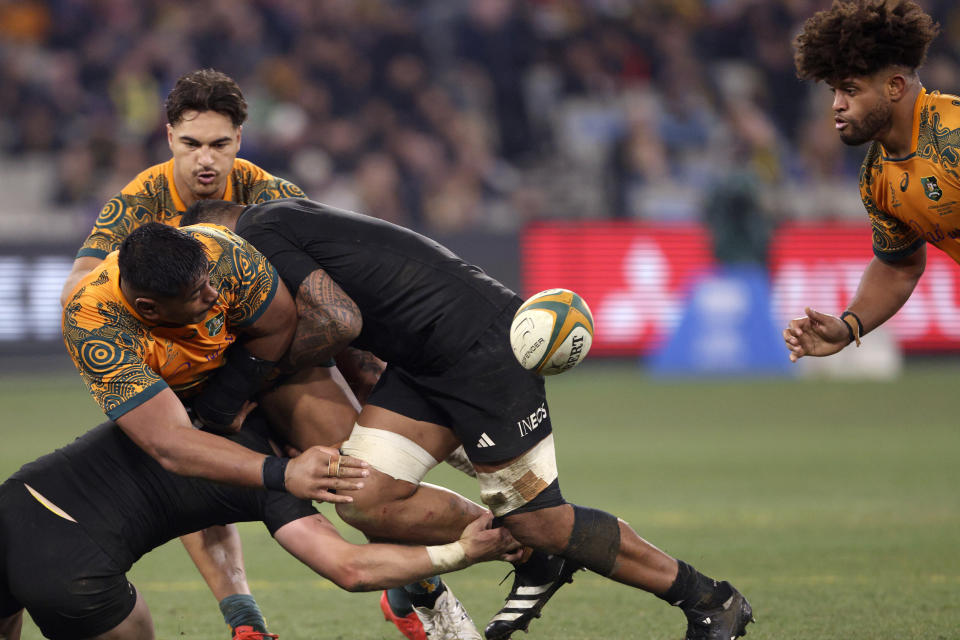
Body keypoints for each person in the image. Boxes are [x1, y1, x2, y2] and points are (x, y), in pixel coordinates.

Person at [180, 198, 756, 640]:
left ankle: (709, 600)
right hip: (425, 363)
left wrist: (247, 378)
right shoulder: (283, 223)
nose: (217, 288)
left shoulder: (256, 233)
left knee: (544, 518)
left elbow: (339, 320)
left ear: (217, 234)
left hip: (480, 351)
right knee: (363, 499)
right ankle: (531, 555)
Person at [57, 68, 376, 640]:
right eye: (191, 144)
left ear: (240, 141)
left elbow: (335, 287)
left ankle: (414, 592)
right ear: (169, 137)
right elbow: (77, 287)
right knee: (188, 465)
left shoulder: (272, 196)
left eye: (220, 145)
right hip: (187, 372)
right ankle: (245, 622)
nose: (206, 160)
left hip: (271, 351)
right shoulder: (138, 202)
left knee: (359, 473)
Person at [0, 411, 521, 639]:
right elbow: (350, 569)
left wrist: (241, 614)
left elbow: (195, 503)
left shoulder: (209, 404)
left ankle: (415, 591)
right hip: (73, 573)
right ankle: (419, 590)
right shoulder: (281, 480)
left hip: (14, 502)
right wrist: (465, 552)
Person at [783, 0, 948, 363]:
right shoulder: (877, 178)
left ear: (894, 86)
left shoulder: (950, 135)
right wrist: (848, 326)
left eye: (851, 91)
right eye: (834, 92)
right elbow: (899, 266)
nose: (837, 106)